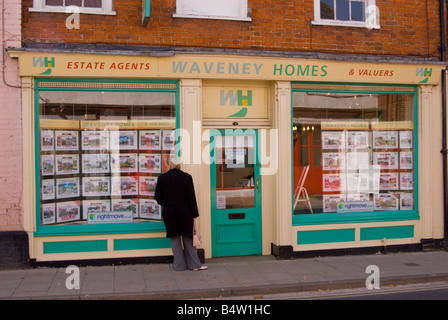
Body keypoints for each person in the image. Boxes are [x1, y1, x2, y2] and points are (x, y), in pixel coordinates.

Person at [155, 152, 207, 271]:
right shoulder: (187, 177)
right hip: (185, 212)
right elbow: (191, 198)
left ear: (169, 164)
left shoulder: (162, 178)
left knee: (175, 239)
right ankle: (194, 265)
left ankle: (179, 265)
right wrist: (195, 215)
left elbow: (158, 197)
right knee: (188, 239)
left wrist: (167, 204)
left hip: (170, 213)